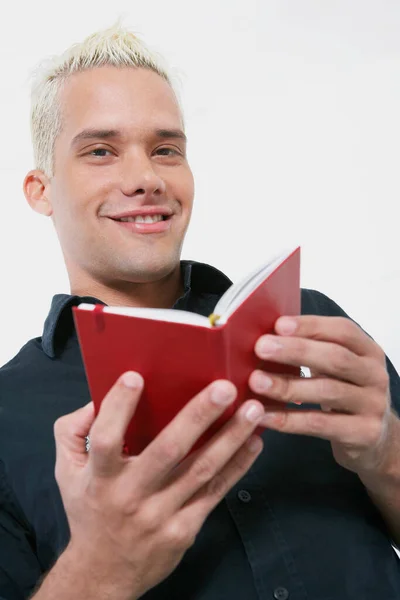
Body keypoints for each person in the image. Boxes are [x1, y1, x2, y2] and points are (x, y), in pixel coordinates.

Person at [0, 23, 399, 600]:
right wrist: (99, 568)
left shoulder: (313, 329)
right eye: (100, 151)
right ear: (41, 191)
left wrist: (386, 452)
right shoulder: (6, 415)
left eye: (166, 149)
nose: (146, 178)